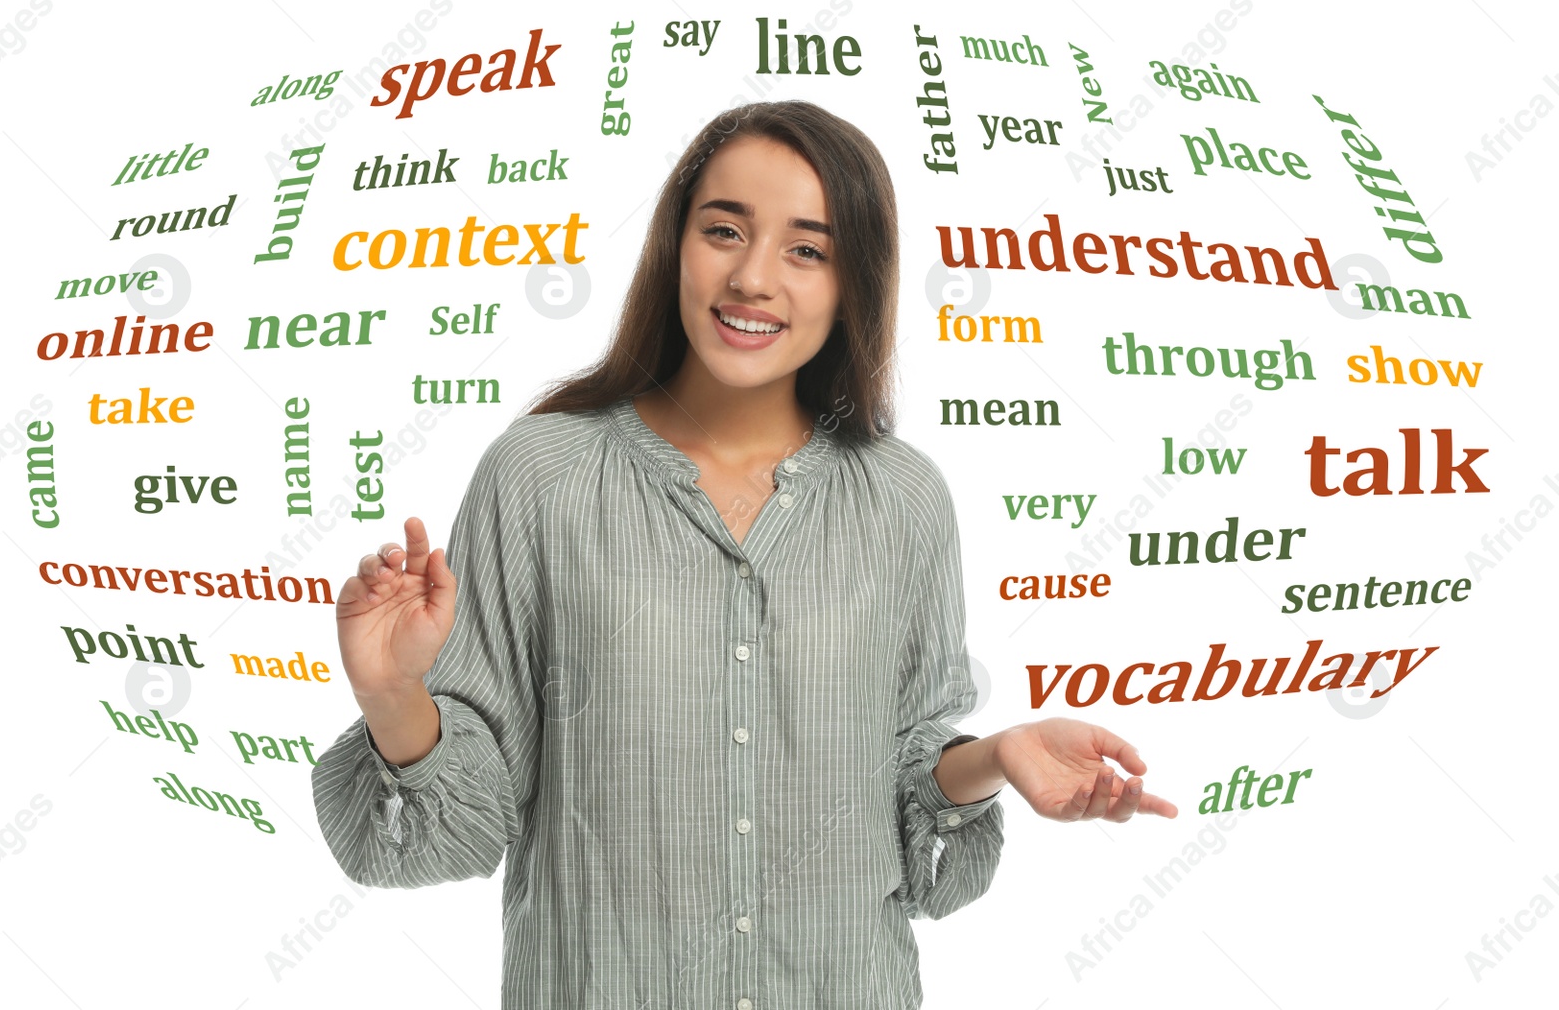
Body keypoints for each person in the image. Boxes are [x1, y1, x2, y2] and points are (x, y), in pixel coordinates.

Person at [313, 99, 1177, 1008]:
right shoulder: (539, 475)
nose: (753, 278)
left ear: (855, 282)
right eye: (724, 230)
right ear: (673, 245)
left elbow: (910, 800)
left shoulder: (905, 500)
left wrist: (997, 754)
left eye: (808, 249)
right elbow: (459, 830)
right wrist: (391, 694)